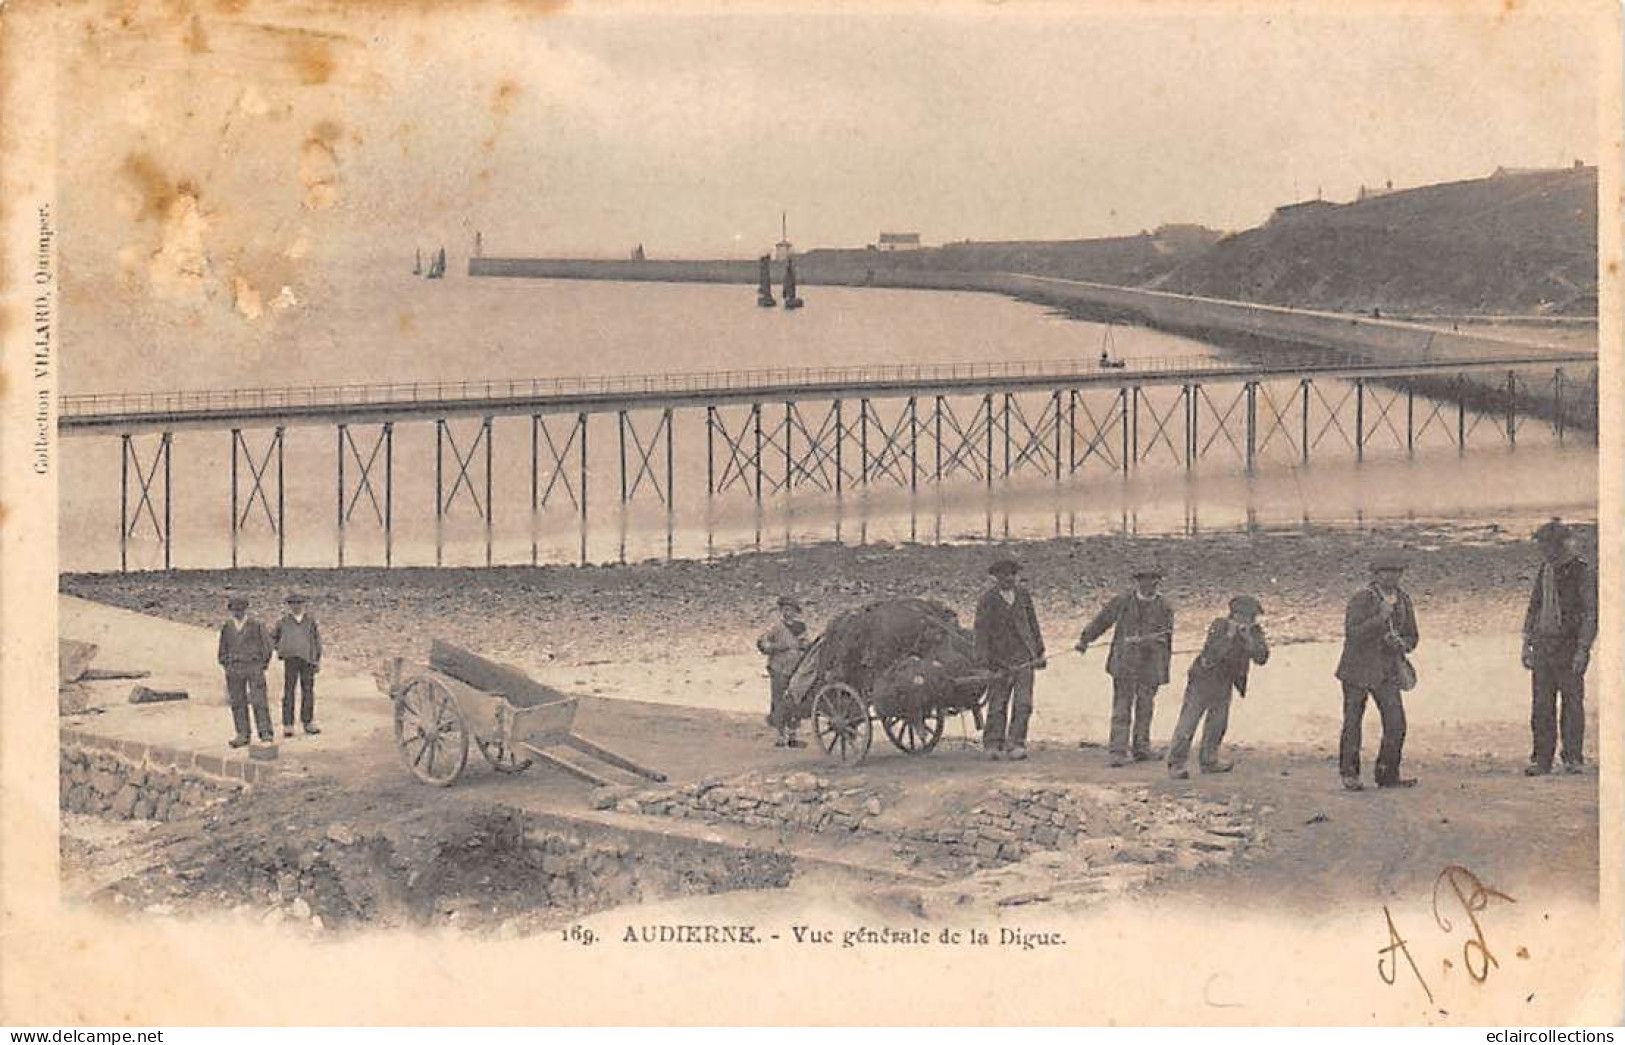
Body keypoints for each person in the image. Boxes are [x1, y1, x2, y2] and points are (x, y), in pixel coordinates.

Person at [1335, 555, 1419, 791]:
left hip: (1387, 671)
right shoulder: (1362, 598)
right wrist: (1379, 619)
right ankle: (1350, 774)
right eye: (1386, 572)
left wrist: (1402, 644)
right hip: (1357, 670)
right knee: (1353, 723)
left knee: (1396, 723)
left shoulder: (1404, 600)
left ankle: (1387, 774)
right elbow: (1352, 633)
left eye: (1396, 572)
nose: (1391, 576)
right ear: (1375, 574)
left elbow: (1413, 636)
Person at [1075, 565, 1174, 767]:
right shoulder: (1122, 601)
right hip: (1124, 663)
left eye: (1154, 580)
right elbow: (1102, 621)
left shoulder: (1165, 607)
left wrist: (1150, 646)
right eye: (1145, 580)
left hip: (1150, 665)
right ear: (1137, 582)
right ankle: (1117, 751)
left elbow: (1166, 637)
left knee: (1145, 707)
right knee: (1122, 707)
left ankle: (1141, 749)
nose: (1150, 584)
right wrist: (1085, 640)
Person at [1521, 519, 1596, 776]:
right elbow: (1534, 606)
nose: (1542, 550)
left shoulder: (1581, 571)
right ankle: (1542, 759)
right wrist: (1526, 642)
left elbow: (1590, 613)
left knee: (1572, 703)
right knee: (1541, 705)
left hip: (1569, 646)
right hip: (1543, 646)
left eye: (1545, 545)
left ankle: (1573, 757)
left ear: (1559, 544)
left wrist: (1583, 649)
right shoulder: (1546, 569)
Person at [1167, 595, 1271, 779]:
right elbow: (1212, 654)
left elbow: (1262, 658)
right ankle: (1176, 763)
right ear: (1236, 615)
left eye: (1253, 617)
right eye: (1248, 616)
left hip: (1226, 681)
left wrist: (1249, 640)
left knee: (1218, 722)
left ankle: (1209, 760)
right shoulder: (1220, 625)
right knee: (1189, 721)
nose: (1251, 620)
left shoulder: (1254, 632)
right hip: (1203, 678)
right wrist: (1230, 636)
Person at [973, 557, 1045, 761]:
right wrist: (983, 662)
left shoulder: (1023, 595)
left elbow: (1033, 624)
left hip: (1024, 658)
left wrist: (1039, 651)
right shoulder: (987, 599)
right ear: (996, 577)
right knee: (997, 704)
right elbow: (981, 632)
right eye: (1004, 575)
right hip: (999, 661)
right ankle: (993, 744)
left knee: (1024, 704)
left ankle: (1016, 744)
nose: (1009, 578)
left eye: (1013, 574)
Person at [218, 595, 274, 748]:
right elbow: (222, 648)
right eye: (234, 610)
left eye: (240, 609)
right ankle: (242, 734)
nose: (237, 612)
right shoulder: (227, 627)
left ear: (245, 609)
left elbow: (267, 646)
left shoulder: (256, 625)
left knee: (259, 701)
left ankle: (265, 733)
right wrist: (227, 664)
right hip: (234, 668)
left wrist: (262, 664)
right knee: (237, 702)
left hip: (253, 667)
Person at [757, 595, 811, 748]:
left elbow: (806, 642)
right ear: (781, 611)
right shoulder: (776, 627)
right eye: (785, 610)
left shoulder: (801, 627)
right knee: (779, 700)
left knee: (794, 700)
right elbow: (762, 643)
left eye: (791, 610)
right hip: (779, 668)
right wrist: (776, 647)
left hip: (797, 668)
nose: (789, 613)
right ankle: (781, 736)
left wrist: (804, 645)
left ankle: (793, 736)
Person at [272, 592, 323, 738]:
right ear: (289, 605)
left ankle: (308, 722)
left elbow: (317, 640)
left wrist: (317, 659)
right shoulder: (283, 622)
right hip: (290, 660)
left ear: (304, 604)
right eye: (293, 603)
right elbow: (273, 638)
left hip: (308, 660)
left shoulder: (310, 621)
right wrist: (282, 648)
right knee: (289, 691)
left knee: (308, 691)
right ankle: (288, 725)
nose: (297, 606)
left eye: (299, 603)